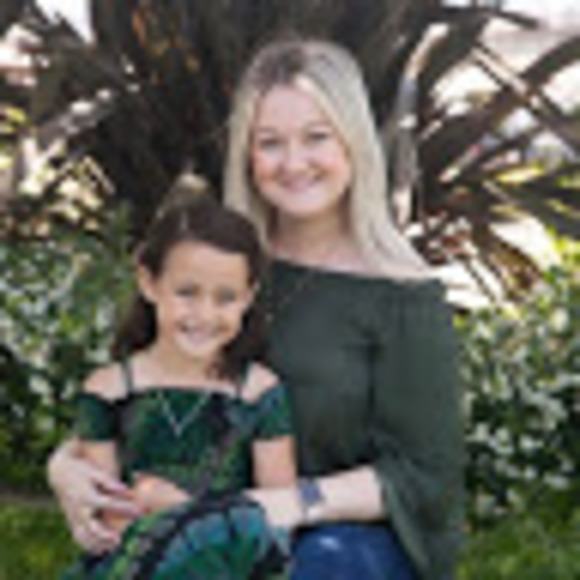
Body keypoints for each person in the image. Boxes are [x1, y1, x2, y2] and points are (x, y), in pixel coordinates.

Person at [49, 39, 464, 579]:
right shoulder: (217, 267)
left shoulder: (403, 295)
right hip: (198, 519)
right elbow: (157, 381)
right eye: (270, 143)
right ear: (247, 154)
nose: (293, 163)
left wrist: (277, 506)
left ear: (354, 142)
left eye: (316, 137)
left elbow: (422, 477)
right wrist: (66, 466)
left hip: (342, 539)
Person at [60, 190, 296, 578]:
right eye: (187, 292)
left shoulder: (259, 391)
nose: (204, 314)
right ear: (149, 283)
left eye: (226, 298)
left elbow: (278, 512)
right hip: (135, 561)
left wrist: (171, 504)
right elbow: (111, 518)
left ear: (249, 297)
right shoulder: (109, 390)